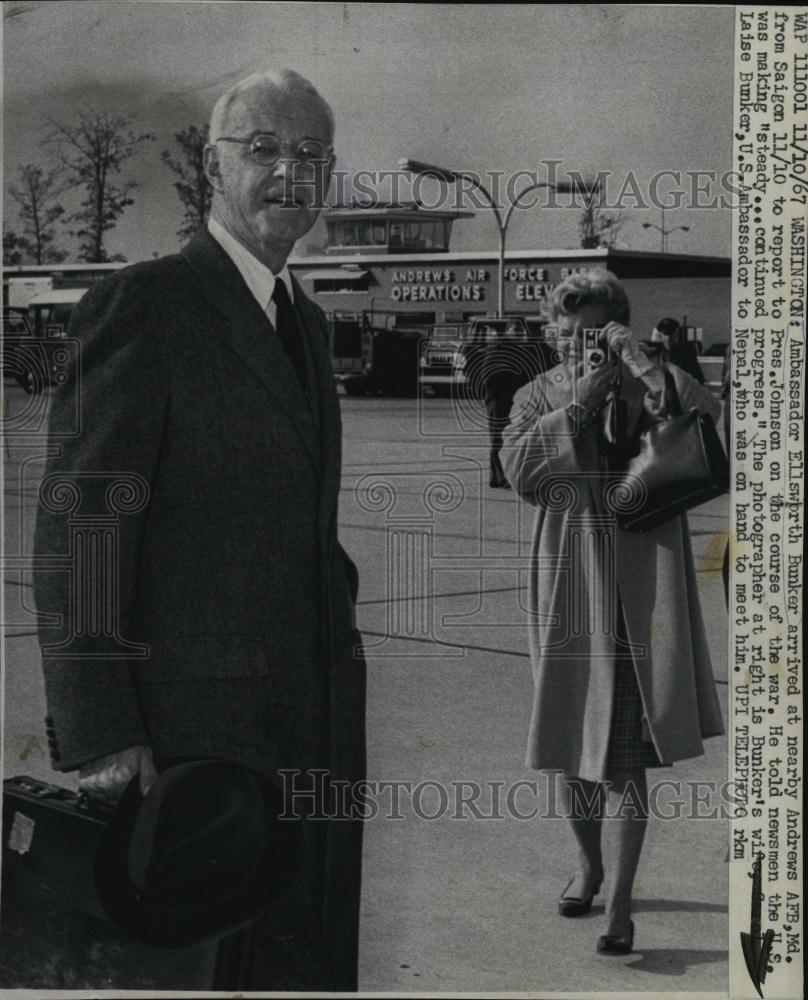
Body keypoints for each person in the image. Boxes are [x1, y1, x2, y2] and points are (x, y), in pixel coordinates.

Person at [32, 69, 365, 991]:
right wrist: (102, 728)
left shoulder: (306, 321)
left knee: (299, 962)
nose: (290, 173)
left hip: (312, 725)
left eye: (313, 156)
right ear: (212, 167)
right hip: (194, 739)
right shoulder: (150, 304)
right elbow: (86, 526)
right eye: (265, 150)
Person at [500, 270, 724, 954]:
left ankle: (620, 901)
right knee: (572, 744)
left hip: (641, 579)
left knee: (625, 753)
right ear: (549, 333)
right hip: (570, 578)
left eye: (595, 332)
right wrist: (575, 410)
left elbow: (702, 420)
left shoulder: (652, 378)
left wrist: (640, 360)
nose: (579, 345)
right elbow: (517, 470)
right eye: (568, 333)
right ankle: (588, 864)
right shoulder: (534, 394)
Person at [651, 316, 705, 383]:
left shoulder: (687, 356)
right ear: (660, 334)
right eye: (665, 333)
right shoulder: (657, 357)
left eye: (671, 333)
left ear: (676, 333)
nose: (668, 337)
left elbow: (699, 380)